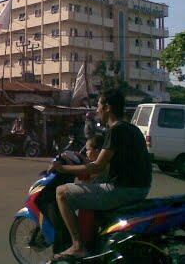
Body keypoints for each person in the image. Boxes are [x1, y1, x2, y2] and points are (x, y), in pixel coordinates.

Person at [50, 89, 152, 261]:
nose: (96, 110)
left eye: (98, 105)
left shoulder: (115, 130)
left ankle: (78, 246)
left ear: (108, 108)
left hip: (123, 190)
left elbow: (97, 166)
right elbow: (111, 164)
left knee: (62, 193)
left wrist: (63, 169)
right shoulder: (131, 129)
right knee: (89, 188)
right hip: (140, 188)